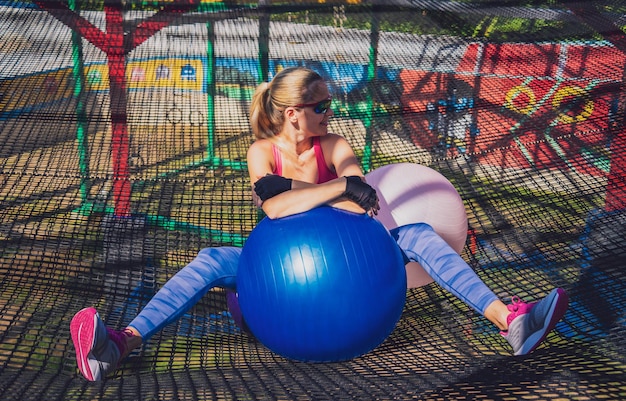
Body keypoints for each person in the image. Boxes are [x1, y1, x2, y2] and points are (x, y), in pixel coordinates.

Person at [70, 66, 569, 382]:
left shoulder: (336, 147)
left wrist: (315, 194)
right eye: (323, 107)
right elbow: (272, 208)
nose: (332, 113)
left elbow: (364, 205)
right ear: (293, 114)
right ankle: (119, 344)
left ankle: (511, 322)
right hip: (274, 281)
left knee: (417, 235)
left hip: (360, 270)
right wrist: (335, 189)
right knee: (209, 261)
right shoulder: (261, 152)